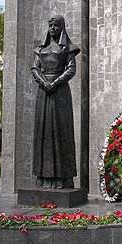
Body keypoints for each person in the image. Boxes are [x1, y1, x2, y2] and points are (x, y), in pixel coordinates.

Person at [31, 15, 80, 189]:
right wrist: (43, 82)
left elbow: (71, 69)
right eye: (50, 24)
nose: (52, 27)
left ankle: (62, 177)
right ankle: (43, 177)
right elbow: (35, 68)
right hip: (43, 93)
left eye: (56, 25)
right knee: (43, 133)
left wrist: (56, 82)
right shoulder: (41, 49)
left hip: (60, 95)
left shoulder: (66, 48)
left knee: (61, 132)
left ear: (62, 27)